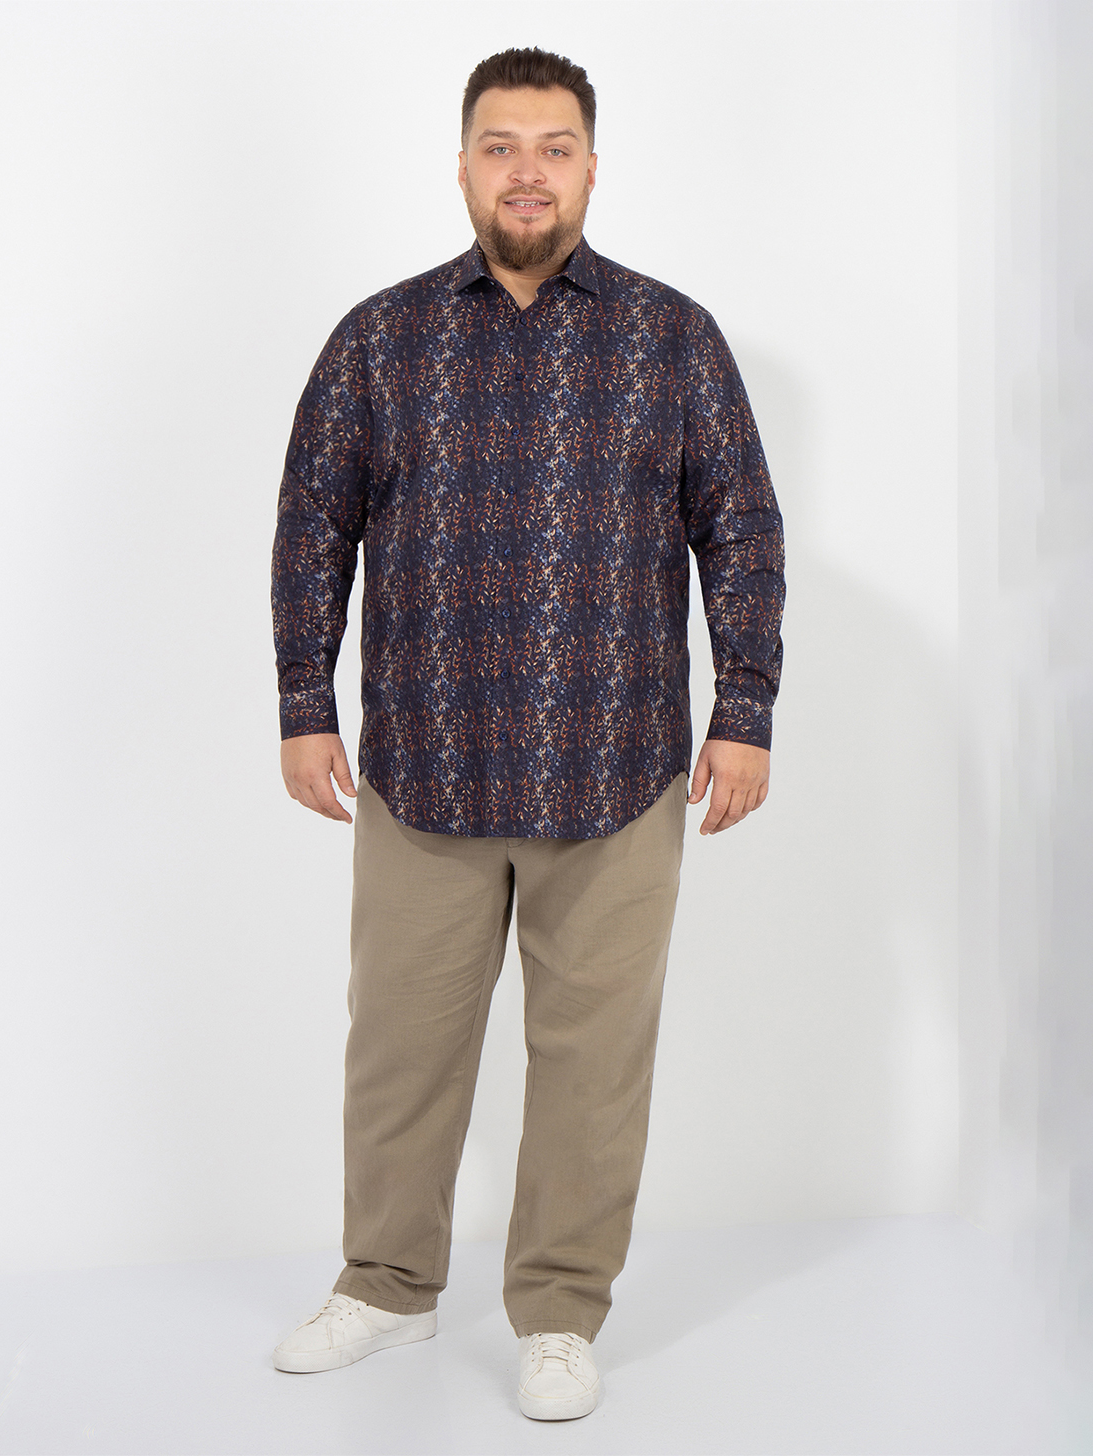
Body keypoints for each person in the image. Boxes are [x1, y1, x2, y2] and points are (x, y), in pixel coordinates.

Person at [269, 45, 785, 1421]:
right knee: (398, 1050)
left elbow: (741, 526)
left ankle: (559, 1312)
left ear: (592, 168)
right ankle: (387, 1286)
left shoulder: (672, 339)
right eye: (501, 146)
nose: (527, 173)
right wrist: (303, 707)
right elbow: (312, 527)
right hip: (423, 769)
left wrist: (743, 713)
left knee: (593, 1064)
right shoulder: (380, 340)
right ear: (462, 165)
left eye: (554, 147)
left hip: (615, 769)